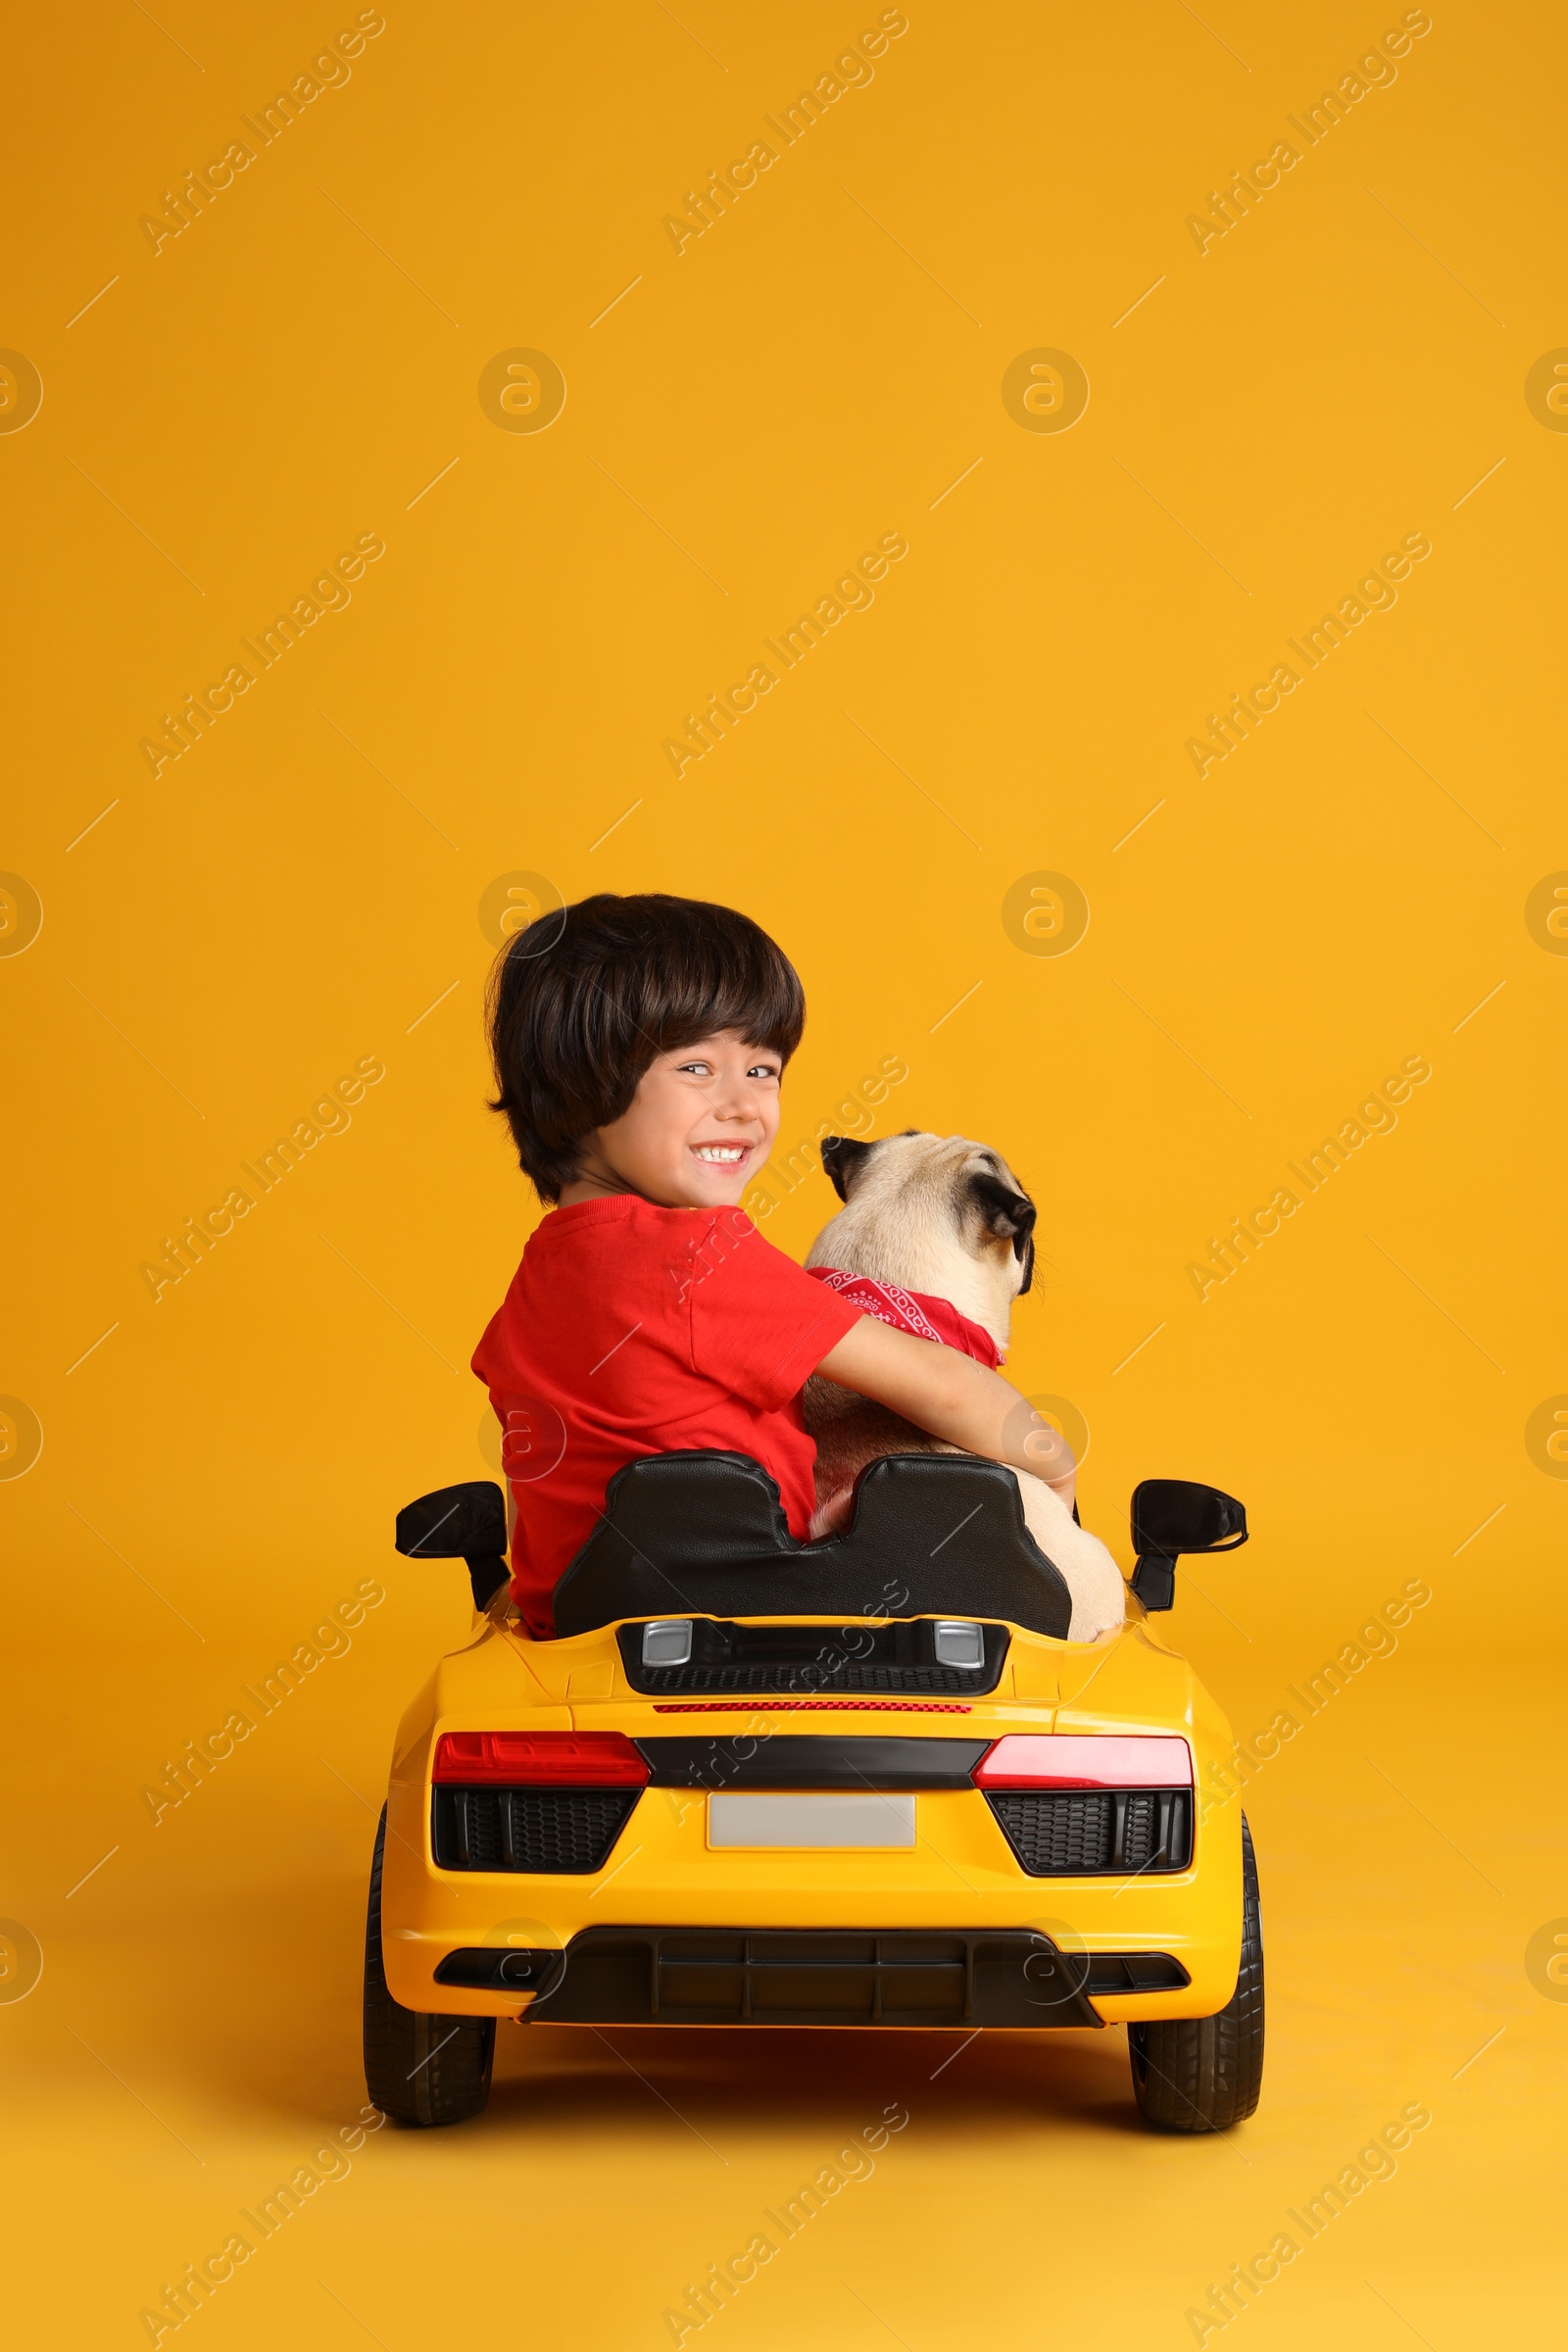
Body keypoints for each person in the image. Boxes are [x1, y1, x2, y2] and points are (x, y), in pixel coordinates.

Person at [473, 892, 1074, 1637]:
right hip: (743, 1610)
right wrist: (1053, 1466)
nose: (743, 1105)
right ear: (578, 1083)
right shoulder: (695, 1256)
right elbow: (942, 1384)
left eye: (763, 1069)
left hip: (580, 1614)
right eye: (697, 1067)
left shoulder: (541, 1278)